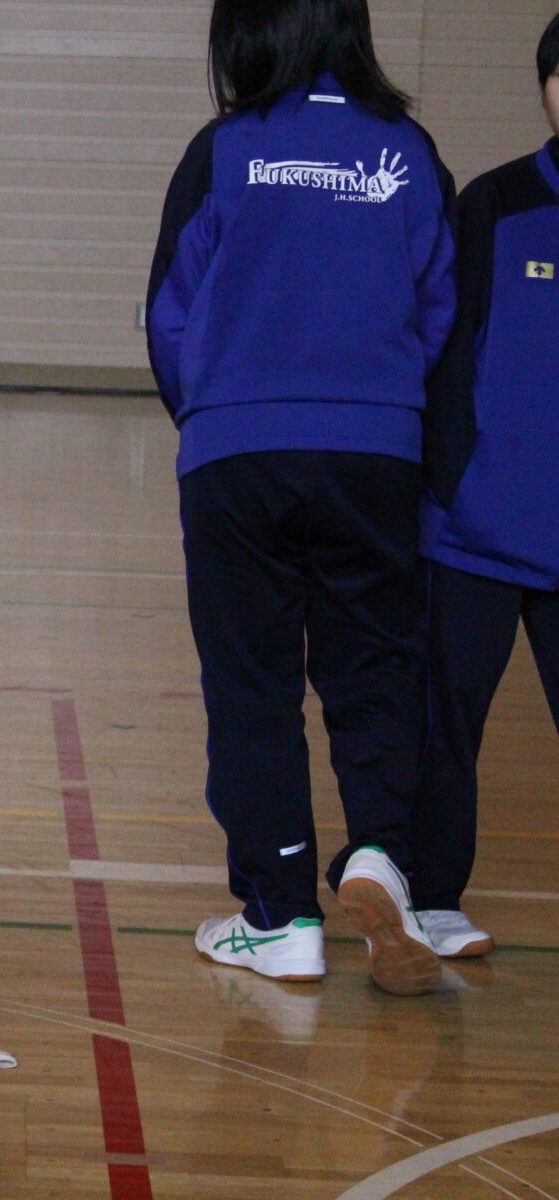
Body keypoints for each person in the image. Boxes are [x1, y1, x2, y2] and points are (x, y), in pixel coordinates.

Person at [145, 0, 457, 995]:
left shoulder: (225, 149)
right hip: (374, 451)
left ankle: (282, 916)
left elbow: (169, 309)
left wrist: (208, 414)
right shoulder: (407, 155)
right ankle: (380, 854)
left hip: (238, 448)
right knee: (374, 667)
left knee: (254, 687)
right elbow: (442, 306)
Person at [411, 10, 559, 961]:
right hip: (472, 529)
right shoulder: (493, 203)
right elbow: (440, 352)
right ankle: (431, 897)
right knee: (443, 726)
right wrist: (446, 483)